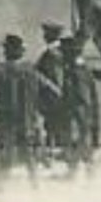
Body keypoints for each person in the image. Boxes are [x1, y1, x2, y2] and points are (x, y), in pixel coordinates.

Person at [0, 34, 48, 186]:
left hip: (6, 123)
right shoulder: (32, 72)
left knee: (5, 160)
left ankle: (1, 193)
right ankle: (36, 192)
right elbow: (53, 92)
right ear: (21, 52)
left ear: (6, 52)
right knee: (30, 160)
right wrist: (39, 107)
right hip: (28, 122)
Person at [58, 34, 101, 175]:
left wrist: (72, 111)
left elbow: (83, 97)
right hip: (80, 112)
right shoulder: (76, 67)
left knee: (78, 140)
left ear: (70, 52)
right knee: (81, 142)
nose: (62, 55)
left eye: (64, 52)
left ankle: (75, 172)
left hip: (79, 112)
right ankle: (86, 171)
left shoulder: (77, 70)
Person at [34, 22, 67, 164]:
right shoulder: (62, 51)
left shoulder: (52, 54)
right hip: (58, 94)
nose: (44, 36)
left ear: (51, 35)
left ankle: (52, 156)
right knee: (55, 124)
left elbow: (56, 77)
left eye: (46, 34)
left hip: (53, 95)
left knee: (53, 124)